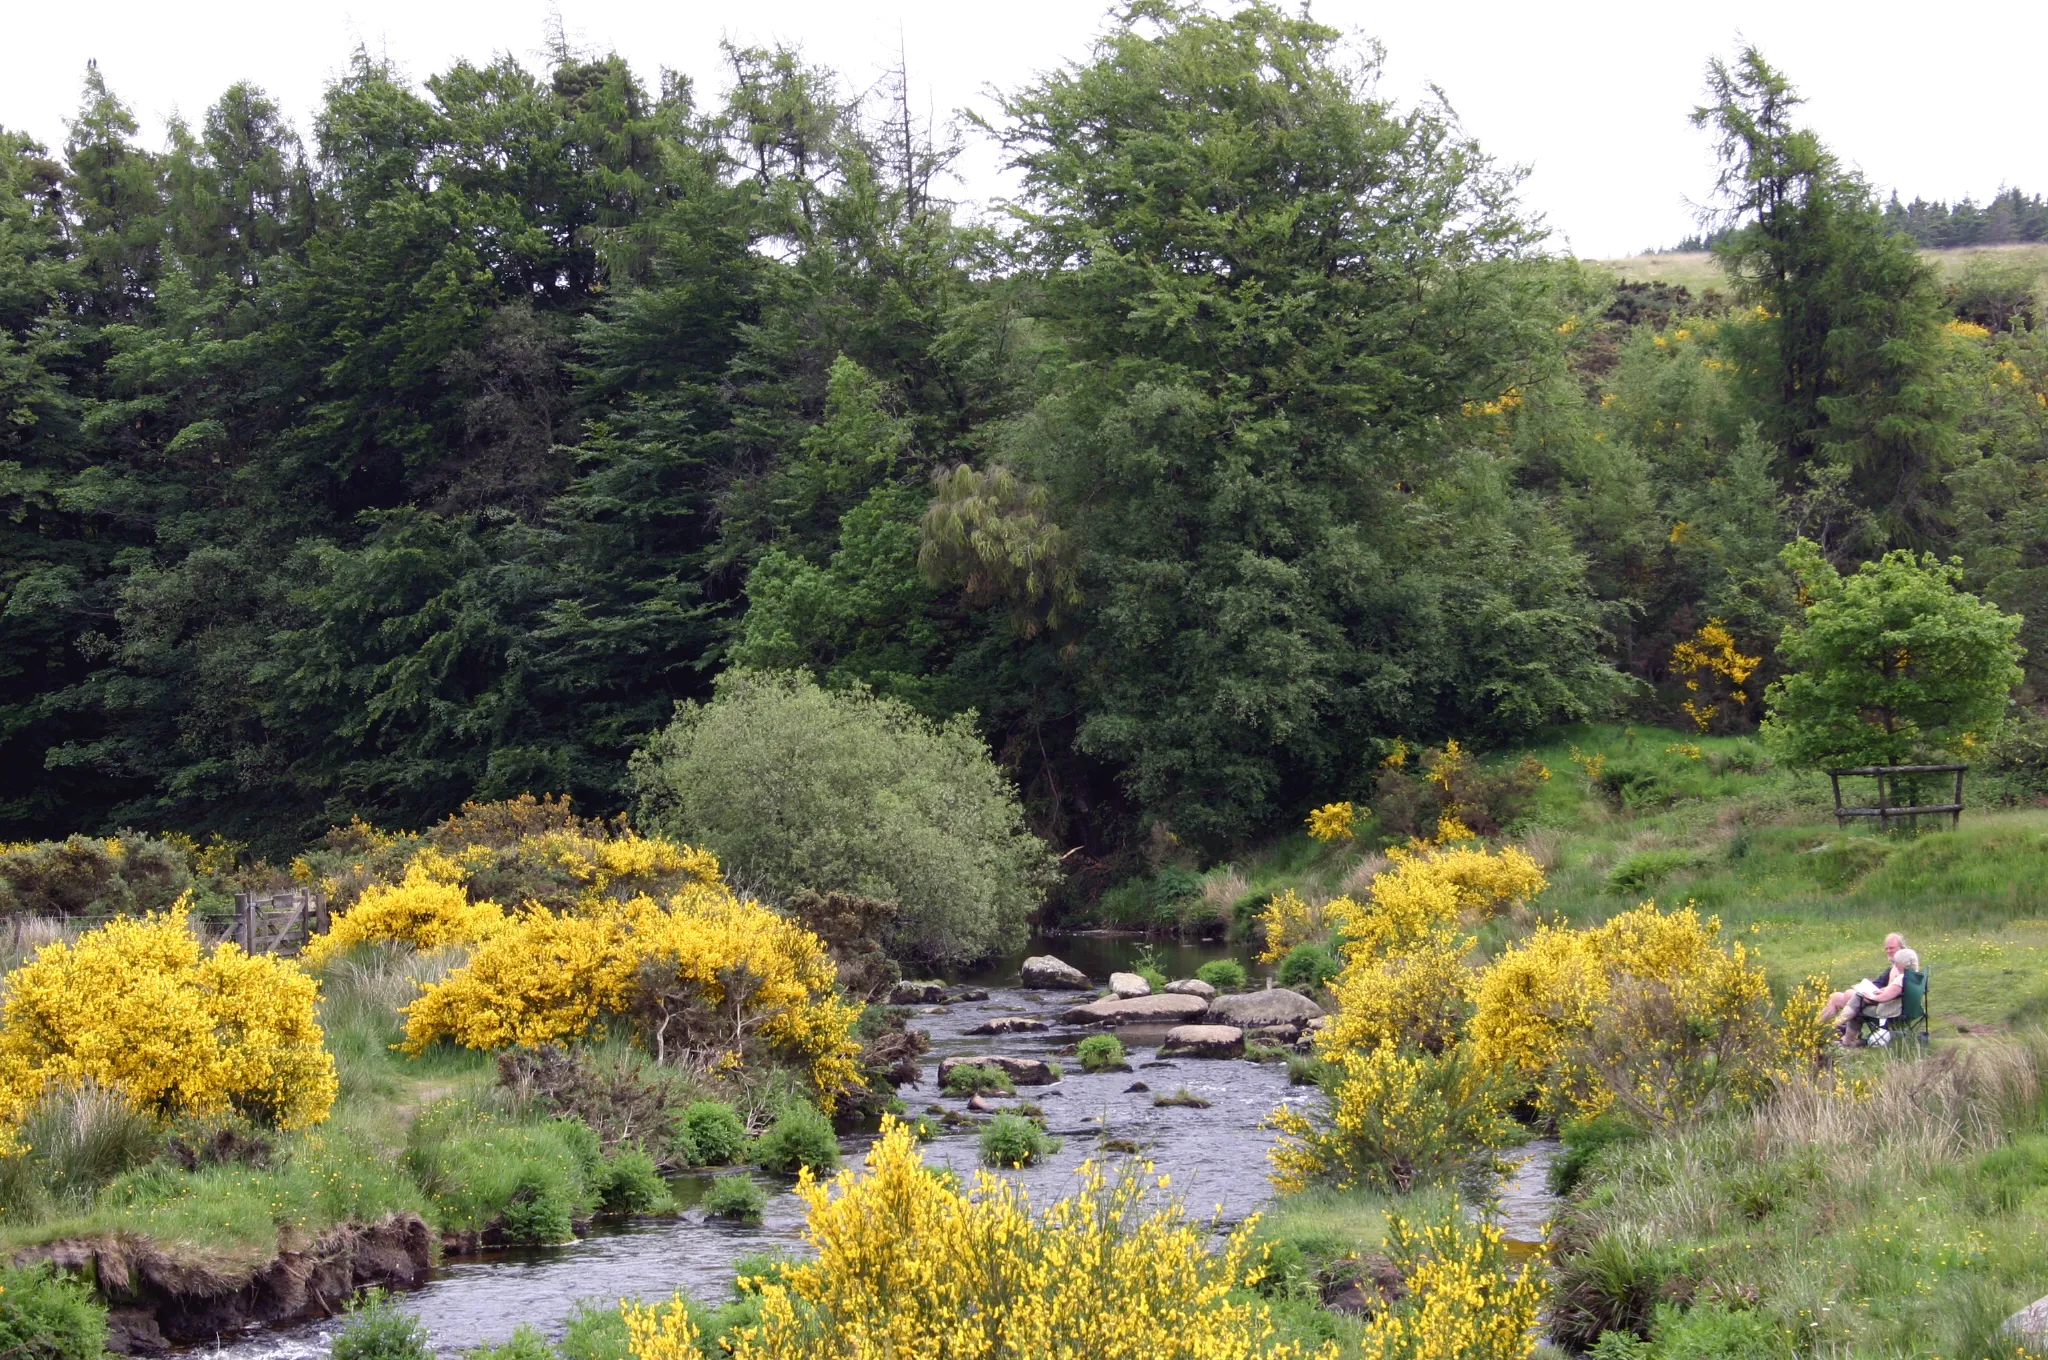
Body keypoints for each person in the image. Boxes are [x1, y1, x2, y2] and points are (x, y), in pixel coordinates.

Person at [1819, 932, 1909, 1045]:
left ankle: (1836, 1030)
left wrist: (1870, 990)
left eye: (1892, 948)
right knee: (1835, 997)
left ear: (1902, 948)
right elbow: (1879, 983)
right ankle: (1820, 1030)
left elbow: (1891, 991)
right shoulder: (1895, 968)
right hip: (1879, 999)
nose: (1888, 951)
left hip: (1885, 1006)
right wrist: (1866, 985)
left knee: (1848, 994)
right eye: (1886, 948)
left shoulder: (1902, 971)